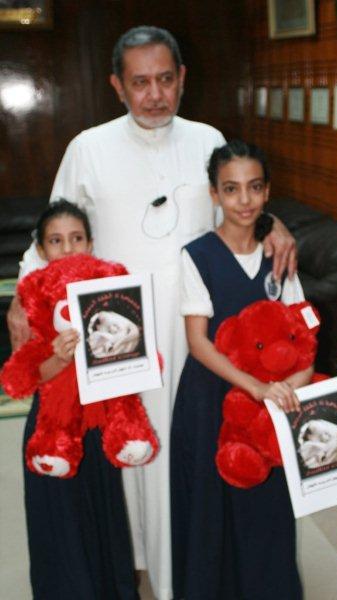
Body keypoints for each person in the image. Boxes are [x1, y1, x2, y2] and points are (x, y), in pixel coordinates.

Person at [7, 27, 297, 600]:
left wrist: (274, 224)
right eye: (140, 83)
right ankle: (132, 568)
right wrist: (22, 296)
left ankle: (180, 576)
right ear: (117, 86)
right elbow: (53, 232)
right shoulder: (88, 147)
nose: (155, 95)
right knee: (125, 452)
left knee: (183, 460)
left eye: (166, 79)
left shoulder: (207, 138)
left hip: (194, 331)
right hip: (116, 334)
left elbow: (237, 205)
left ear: (182, 78)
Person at [170, 140, 313, 599]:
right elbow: (198, 342)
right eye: (231, 189)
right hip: (211, 398)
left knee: (267, 505)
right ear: (214, 194)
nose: (244, 200)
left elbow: (304, 334)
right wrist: (255, 387)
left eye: (254, 187)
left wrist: (293, 384)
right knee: (211, 506)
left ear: (267, 191)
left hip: (268, 405)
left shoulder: (280, 256)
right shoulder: (197, 255)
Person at [13, 199, 139, 599]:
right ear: (41, 249)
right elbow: (26, 377)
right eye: (56, 240)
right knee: (60, 523)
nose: (67, 249)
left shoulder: (110, 293)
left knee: (103, 515)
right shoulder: (32, 300)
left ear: (90, 243)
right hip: (52, 430)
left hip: (98, 422)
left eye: (76, 238)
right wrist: (58, 357)